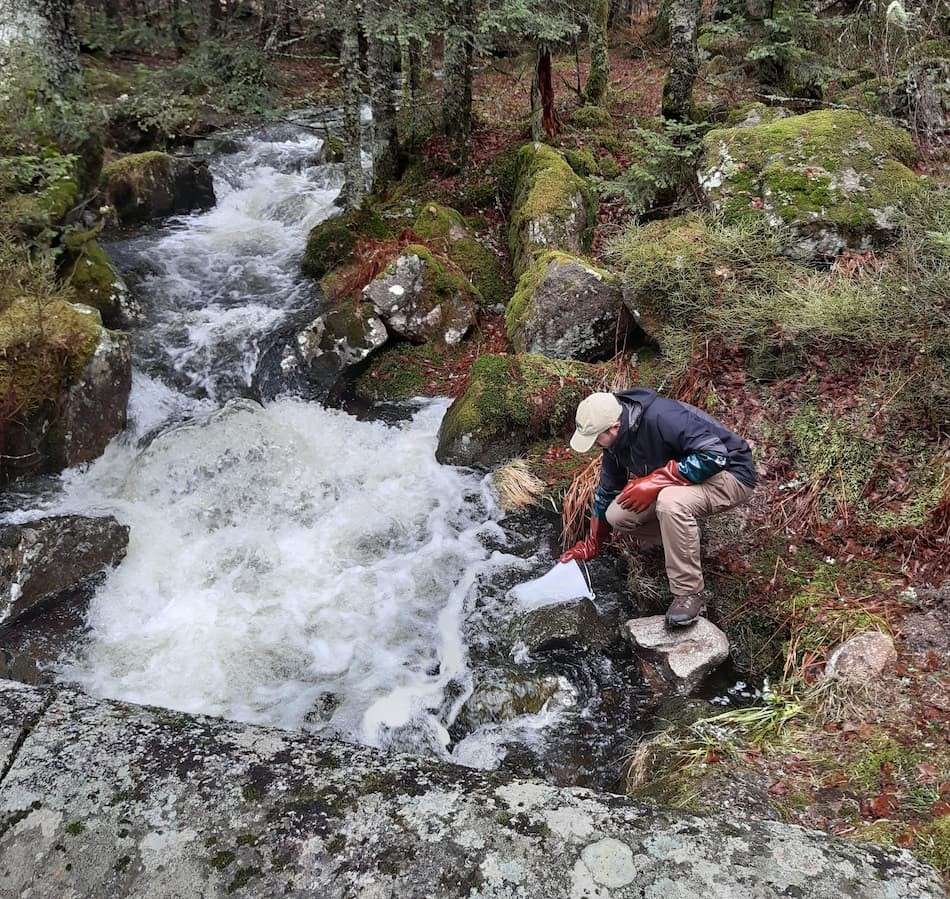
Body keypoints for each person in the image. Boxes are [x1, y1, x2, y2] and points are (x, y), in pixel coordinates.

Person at [560, 389, 756, 627]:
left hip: (731, 473)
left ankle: (689, 593)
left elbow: (714, 456)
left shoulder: (662, 417)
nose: (594, 445)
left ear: (613, 427)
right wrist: (593, 543)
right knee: (617, 514)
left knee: (670, 502)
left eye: (595, 438)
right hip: (686, 480)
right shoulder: (615, 443)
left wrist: (656, 481)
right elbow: (607, 492)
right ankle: (684, 537)